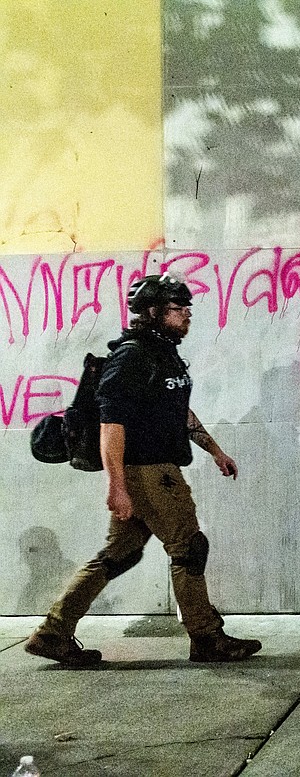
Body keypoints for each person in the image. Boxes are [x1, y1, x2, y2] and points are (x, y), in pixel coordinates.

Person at [25, 274, 261, 666]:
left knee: (119, 554)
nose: (187, 314)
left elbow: (175, 408)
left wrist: (214, 449)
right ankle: (207, 638)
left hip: (156, 468)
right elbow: (110, 423)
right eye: (177, 308)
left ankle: (53, 633)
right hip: (149, 471)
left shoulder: (162, 352)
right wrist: (116, 485)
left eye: (187, 307)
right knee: (189, 548)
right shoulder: (132, 357)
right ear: (152, 312)